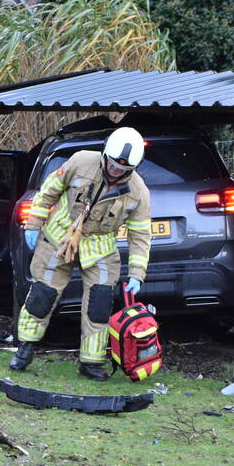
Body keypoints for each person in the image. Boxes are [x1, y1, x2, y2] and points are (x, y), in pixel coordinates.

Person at [8, 126, 152, 380]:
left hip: (100, 249)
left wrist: (137, 273)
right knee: (42, 295)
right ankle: (24, 349)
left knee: (98, 305)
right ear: (105, 154)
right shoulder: (80, 162)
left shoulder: (138, 192)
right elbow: (48, 192)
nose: (116, 170)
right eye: (113, 164)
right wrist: (34, 224)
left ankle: (91, 363)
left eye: (124, 168)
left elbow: (140, 235)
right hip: (58, 239)